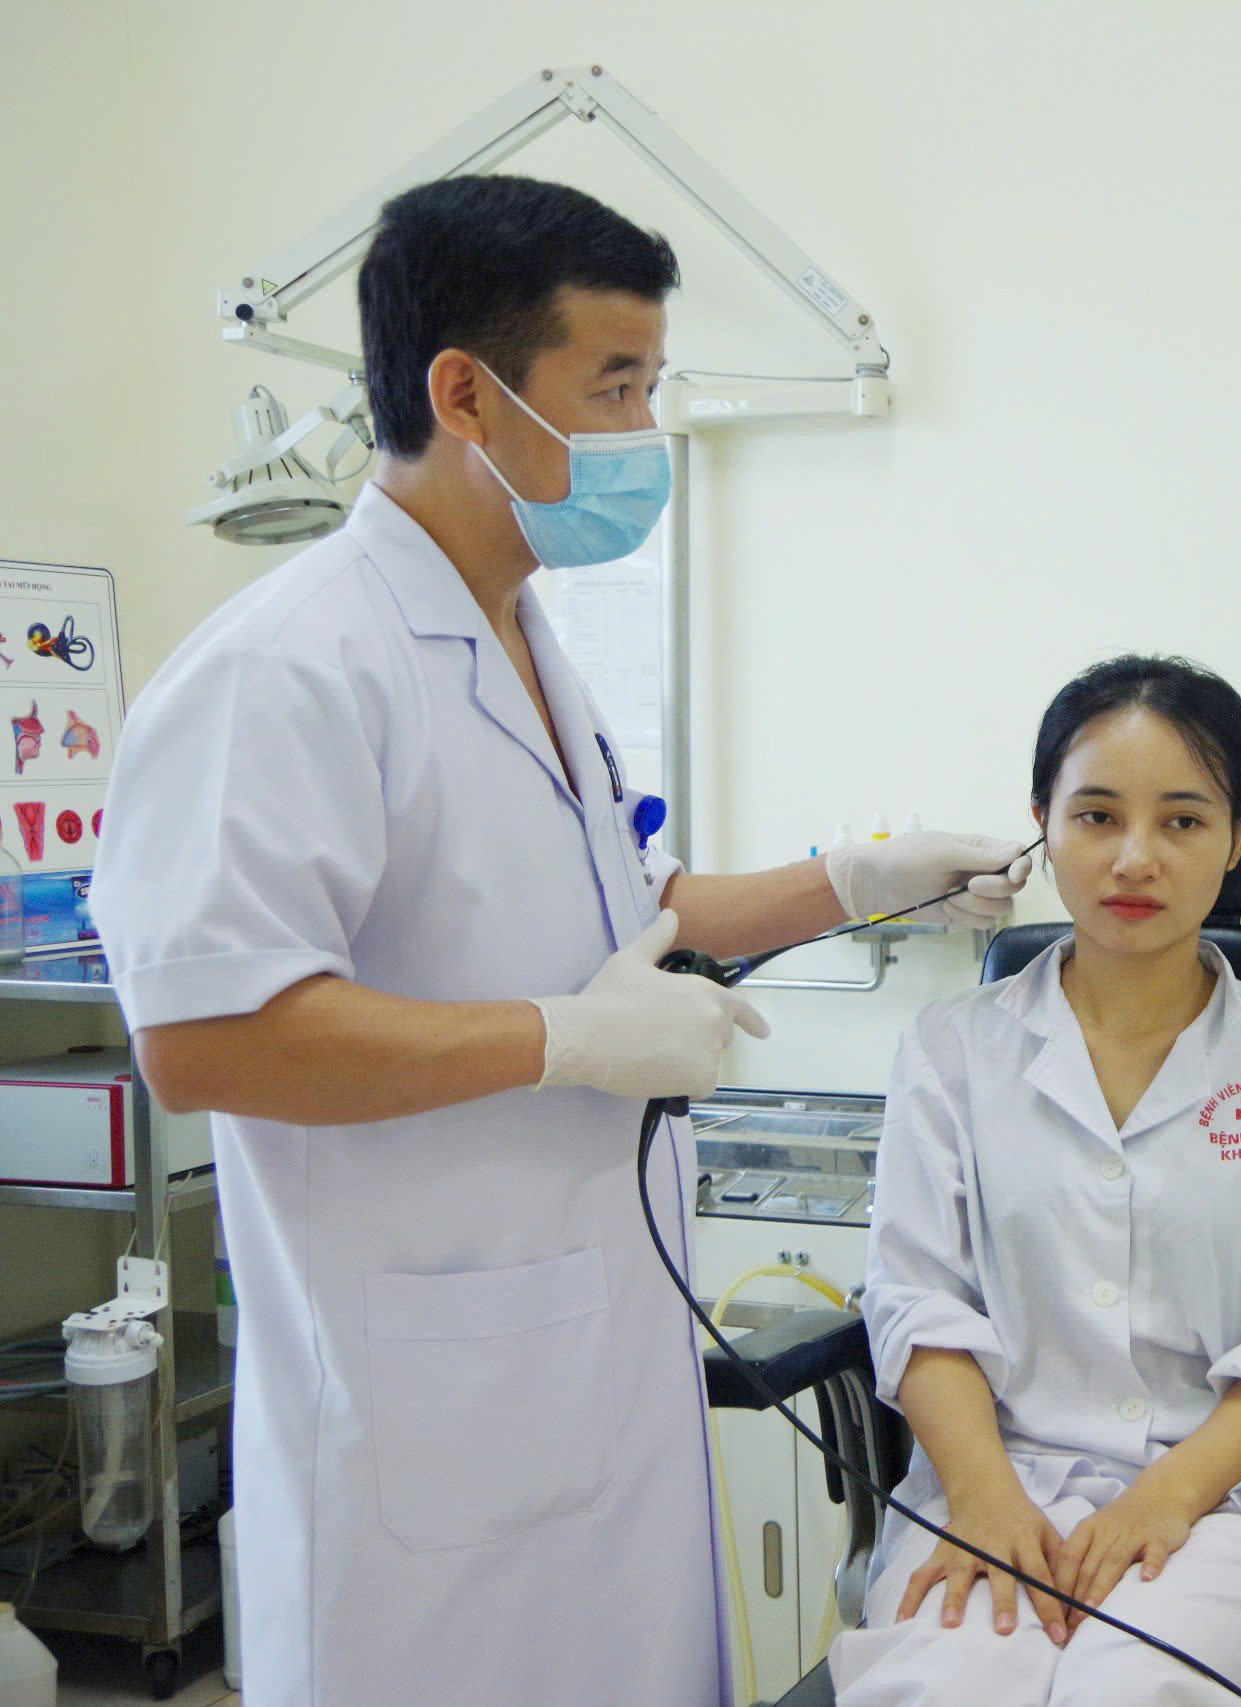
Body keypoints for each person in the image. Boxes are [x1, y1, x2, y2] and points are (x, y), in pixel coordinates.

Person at [89, 174, 1029, 1707]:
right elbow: (209, 1038)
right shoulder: (285, 670)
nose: (644, 434)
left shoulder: (536, 648)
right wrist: (565, 1040)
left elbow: (634, 913)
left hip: (590, 1371)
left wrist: (859, 877)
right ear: (465, 392)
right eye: (616, 387)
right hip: (425, 1420)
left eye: (653, 386)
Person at [829, 656, 1241, 1707]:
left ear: (1238, 838)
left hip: (1236, 1503)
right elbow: (917, 1303)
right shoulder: (950, 1049)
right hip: (995, 1480)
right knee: (946, 1690)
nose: (1135, 858)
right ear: (1041, 824)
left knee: (1131, 1690)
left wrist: (1165, 1497)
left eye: (1182, 820)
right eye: (1095, 816)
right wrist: (985, 1497)